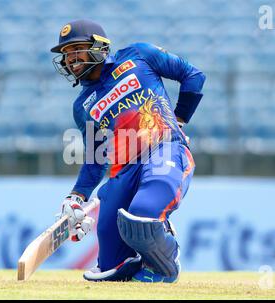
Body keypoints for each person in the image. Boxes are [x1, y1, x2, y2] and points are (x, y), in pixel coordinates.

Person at [52, 19, 205, 283]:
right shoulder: (82, 106)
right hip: (124, 170)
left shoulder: (138, 55)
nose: (71, 59)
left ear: (99, 47)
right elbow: (95, 158)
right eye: (66, 54)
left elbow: (193, 76)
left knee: (142, 218)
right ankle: (136, 259)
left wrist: (179, 120)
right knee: (110, 265)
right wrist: (76, 197)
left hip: (164, 149)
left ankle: (165, 262)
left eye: (76, 49)